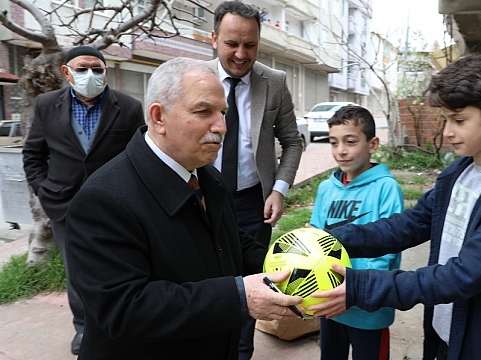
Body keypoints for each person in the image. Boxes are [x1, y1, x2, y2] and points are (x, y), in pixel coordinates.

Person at [309, 52, 481, 360]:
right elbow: (408, 225)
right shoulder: (458, 172)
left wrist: (362, 286)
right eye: (446, 120)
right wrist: (334, 237)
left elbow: (461, 276)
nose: (448, 132)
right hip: (445, 328)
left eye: (459, 120)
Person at [64, 57, 303, 360]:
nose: (222, 126)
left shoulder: (206, 174)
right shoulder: (103, 200)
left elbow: (230, 243)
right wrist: (240, 297)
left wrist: (293, 266)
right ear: (159, 116)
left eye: (223, 112)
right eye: (204, 111)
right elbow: (124, 309)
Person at [22, 45, 145, 355]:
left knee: (121, 265)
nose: (90, 74)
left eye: (97, 68)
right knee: (76, 271)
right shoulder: (47, 105)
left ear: (105, 71)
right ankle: (84, 327)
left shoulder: (128, 107)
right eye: (82, 68)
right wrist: (44, 191)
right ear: (67, 72)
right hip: (64, 206)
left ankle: (119, 322)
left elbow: (139, 155)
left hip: (116, 206)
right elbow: (33, 154)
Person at [209, 2, 303, 358]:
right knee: (206, 277)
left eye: (250, 45)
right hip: (199, 196)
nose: (241, 53)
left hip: (252, 202)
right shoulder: (193, 76)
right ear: (214, 38)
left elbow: (292, 141)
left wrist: (278, 189)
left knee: (253, 280)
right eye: (232, 43)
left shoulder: (273, 82)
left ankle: (242, 351)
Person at [309, 105, 403, 360]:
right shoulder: (326, 189)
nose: (341, 150)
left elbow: (388, 248)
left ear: (372, 144)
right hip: (330, 300)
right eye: (333, 142)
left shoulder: (387, 188)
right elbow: (314, 241)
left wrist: (359, 290)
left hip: (369, 307)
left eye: (350, 141)